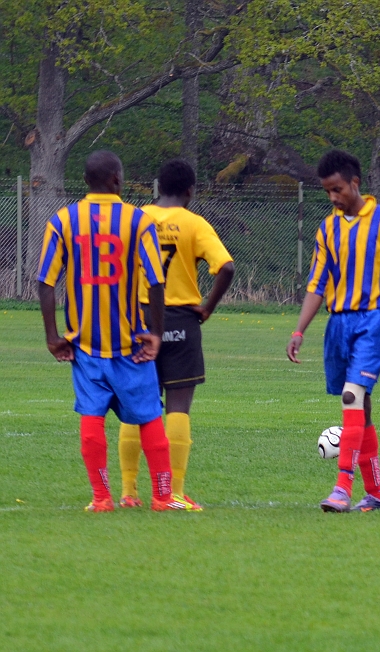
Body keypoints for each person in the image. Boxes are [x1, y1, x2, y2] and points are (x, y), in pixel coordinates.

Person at [36, 150, 189, 512]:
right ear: (117, 180)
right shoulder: (137, 220)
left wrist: (52, 336)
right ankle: (163, 498)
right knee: (150, 416)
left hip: (85, 344)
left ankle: (102, 498)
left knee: (91, 419)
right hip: (130, 343)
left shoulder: (63, 220)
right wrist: (155, 332)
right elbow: (155, 280)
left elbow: (45, 281)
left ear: (87, 181)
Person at [286, 149, 380, 512]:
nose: (333, 198)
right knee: (362, 406)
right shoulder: (327, 229)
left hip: (375, 320)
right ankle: (376, 492)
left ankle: (341, 488)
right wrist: (299, 331)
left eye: (338, 189)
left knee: (351, 396)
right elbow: (316, 283)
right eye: (327, 192)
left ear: (355, 183)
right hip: (339, 323)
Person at [117, 159, 235, 510]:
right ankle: (175, 492)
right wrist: (208, 307)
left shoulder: (136, 218)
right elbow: (226, 267)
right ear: (189, 191)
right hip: (181, 321)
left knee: (134, 406)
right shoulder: (194, 224)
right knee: (178, 406)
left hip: (139, 320)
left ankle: (128, 492)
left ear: (157, 188)